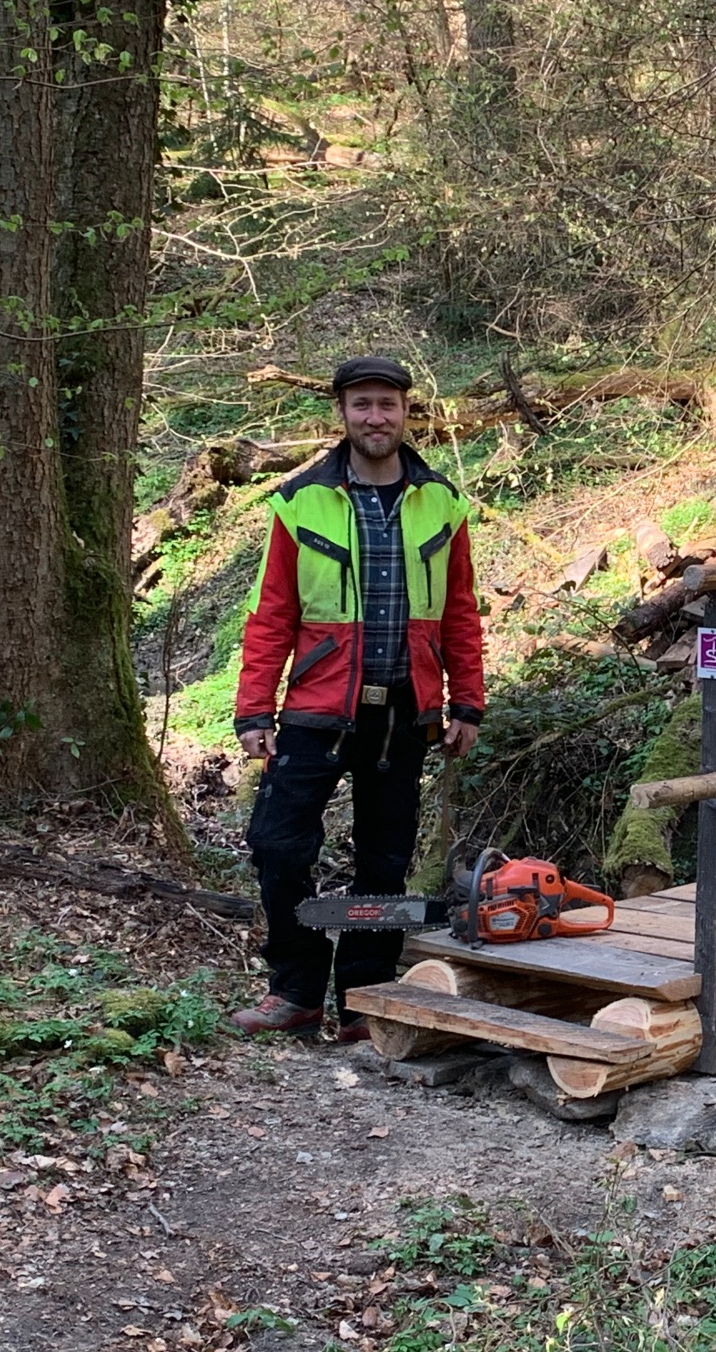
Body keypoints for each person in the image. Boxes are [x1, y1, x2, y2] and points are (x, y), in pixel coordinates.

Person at [229, 356, 485, 1040]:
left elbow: (460, 611)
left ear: (406, 413)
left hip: (406, 712)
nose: (376, 417)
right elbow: (270, 614)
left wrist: (467, 702)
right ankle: (296, 990)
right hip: (317, 707)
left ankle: (364, 998)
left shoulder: (443, 502)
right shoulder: (299, 502)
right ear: (341, 413)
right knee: (278, 846)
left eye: (387, 405)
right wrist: (254, 710)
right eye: (362, 405)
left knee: (384, 863)